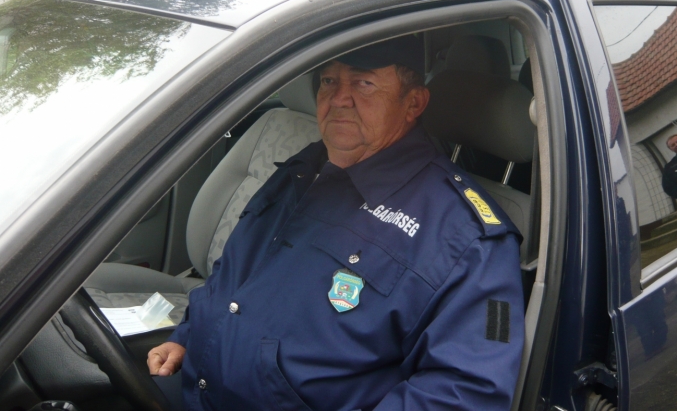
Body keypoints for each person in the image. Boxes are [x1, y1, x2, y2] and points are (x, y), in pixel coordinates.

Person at [147, 35, 524, 410]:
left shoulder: (466, 237)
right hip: (195, 386)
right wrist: (187, 335)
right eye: (329, 81)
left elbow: (464, 393)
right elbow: (235, 272)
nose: (339, 98)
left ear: (413, 103)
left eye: (364, 83)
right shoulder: (303, 167)